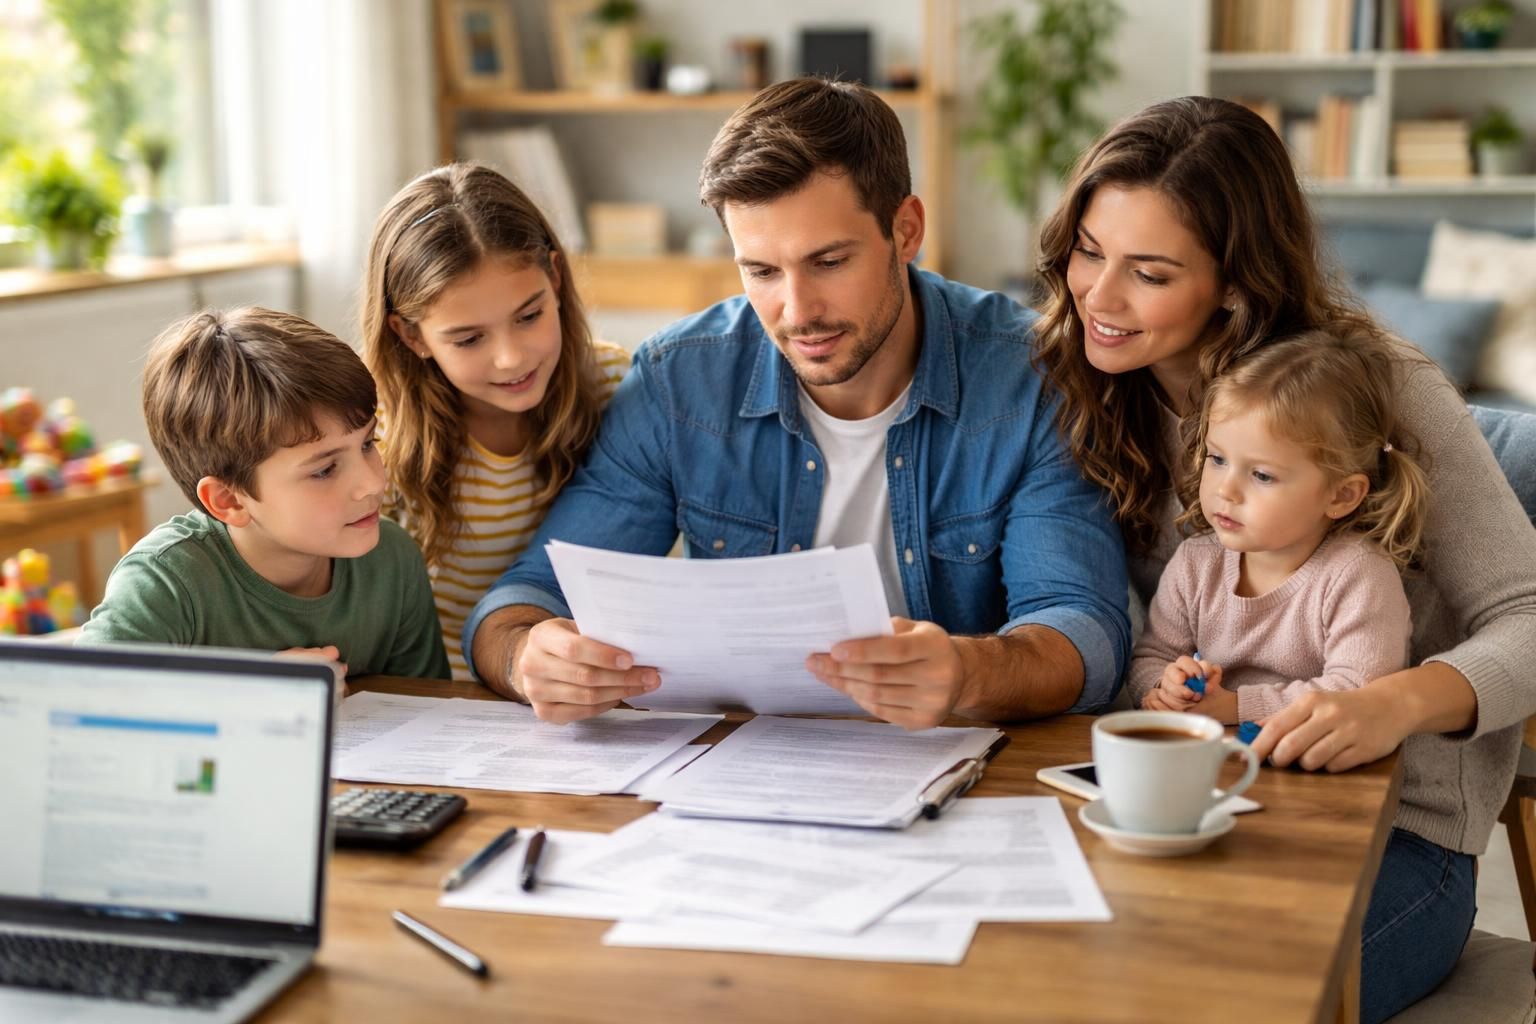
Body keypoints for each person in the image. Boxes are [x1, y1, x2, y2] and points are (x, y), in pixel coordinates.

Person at [1033, 95, 1536, 1022]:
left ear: (1233, 282)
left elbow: (1530, 617)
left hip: (1395, 832)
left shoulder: (1382, 393)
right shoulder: (1093, 388)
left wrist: (1395, 700)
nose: (1097, 297)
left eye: (1147, 272)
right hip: (1196, 794)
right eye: (1089, 251)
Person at [463, 78, 1131, 729]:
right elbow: (522, 600)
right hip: (738, 769)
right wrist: (529, 659)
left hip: (951, 773)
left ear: (905, 229)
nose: (797, 310)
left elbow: (1085, 632)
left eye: (829, 261)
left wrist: (967, 671)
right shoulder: (680, 381)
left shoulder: (1030, 377)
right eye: (760, 271)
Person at [359, 163, 629, 679]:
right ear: (411, 335)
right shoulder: (379, 437)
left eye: (529, 317)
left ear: (554, 277)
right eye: (468, 339)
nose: (512, 358)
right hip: (442, 696)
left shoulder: (612, 385)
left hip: (585, 684)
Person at [82, 306, 450, 681]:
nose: (372, 483)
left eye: (369, 443)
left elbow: (433, 717)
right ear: (229, 500)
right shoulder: (164, 584)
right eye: (324, 470)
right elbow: (77, 708)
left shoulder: (393, 561)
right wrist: (250, 695)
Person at [1128, 330, 1426, 724]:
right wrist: (1164, 690)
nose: (1226, 490)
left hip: (1331, 772)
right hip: (1221, 763)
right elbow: (1151, 657)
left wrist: (1237, 707)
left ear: (1341, 496)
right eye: (1217, 459)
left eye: (1263, 476)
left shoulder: (1358, 574)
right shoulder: (1196, 562)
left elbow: (1360, 690)